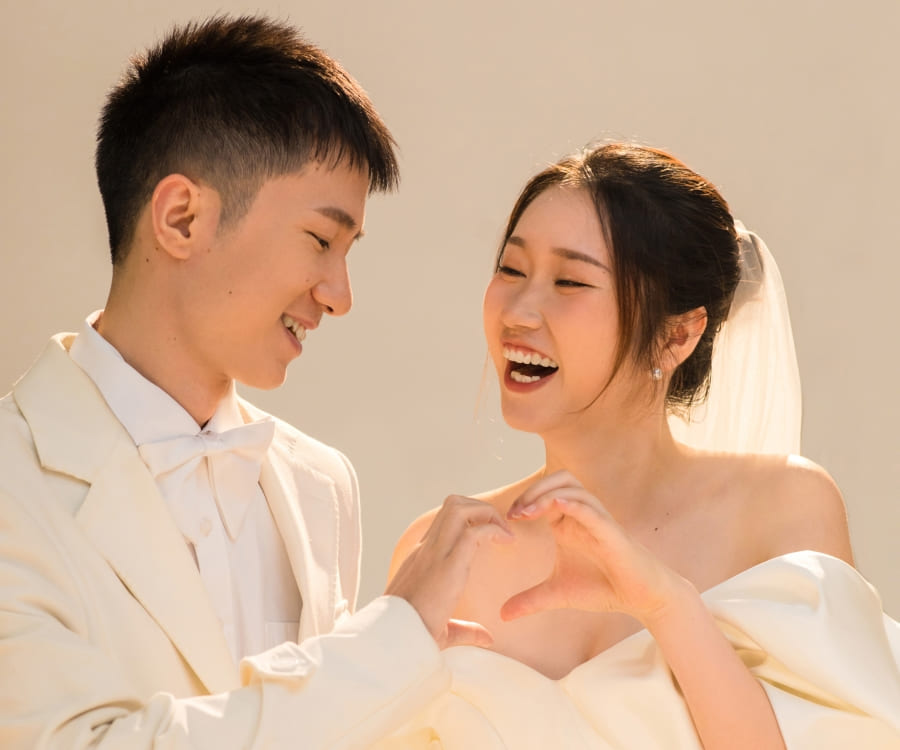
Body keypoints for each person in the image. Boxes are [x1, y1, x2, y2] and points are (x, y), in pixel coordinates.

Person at [0, 14, 514, 749]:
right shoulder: (13, 482)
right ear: (182, 218)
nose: (339, 294)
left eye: (348, 251)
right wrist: (388, 646)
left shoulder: (321, 487)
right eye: (321, 239)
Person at [386, 143, 900, 748]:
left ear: (677, 335)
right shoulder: (441, 550)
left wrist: (666, 605)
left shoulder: (783, 507)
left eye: (570, 281)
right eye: (511, 270)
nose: (519, 312)